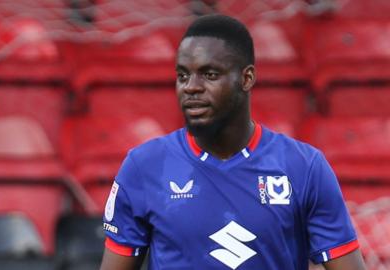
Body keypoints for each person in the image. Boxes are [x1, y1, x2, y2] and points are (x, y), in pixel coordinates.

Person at [99, 14, 367, 270]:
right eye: (183, 75)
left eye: (210, 75)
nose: (191, 87)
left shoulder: (304, 167)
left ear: (246, 78)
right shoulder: (144, 166)